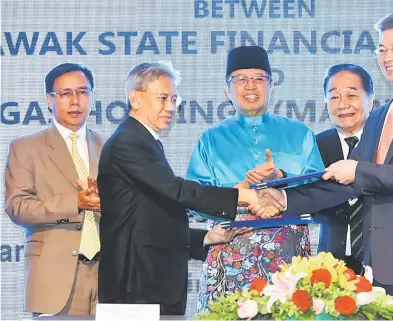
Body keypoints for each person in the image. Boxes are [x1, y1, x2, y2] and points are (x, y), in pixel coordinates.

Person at [256, 12, 393, 311]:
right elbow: (343, 183)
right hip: (374, 277)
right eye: (382, 50)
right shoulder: (380, 116)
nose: (387, 58)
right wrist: (282, 197)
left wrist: (357, 169)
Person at [97, 60, 281, 315]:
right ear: (135, 99)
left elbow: (154, 217)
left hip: (152, 281)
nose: (170, 107)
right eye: (163, 98)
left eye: (174, 99)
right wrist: (243, 196)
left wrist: (205, 237)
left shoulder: (144, 140)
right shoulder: (129, 141)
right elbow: (177, 191)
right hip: (135, 284)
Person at [186, 46, 325, 312]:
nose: (251, 85)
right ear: (228, 89)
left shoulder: (300, 134)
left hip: (288, 266)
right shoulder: (211, 139)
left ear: (271, 85)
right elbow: (193, 201)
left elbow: (319, 190)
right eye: (241, 79)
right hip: (228, 258)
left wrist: (281, 179)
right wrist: (240, 191)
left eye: (259, 78)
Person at [5, 63, 104, 316]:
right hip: (56, 278)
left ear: (92, 96)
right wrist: (76, 202)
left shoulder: (109, 147)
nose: (75, 101)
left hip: (107, 277)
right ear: (49, 100)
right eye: (65, 93)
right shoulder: (26, 148)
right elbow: (18, 207)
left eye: (83, 92)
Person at [315, 64, 373, 271]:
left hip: (384, 261)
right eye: (334, 97)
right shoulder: (315, 146)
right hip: (331, 264)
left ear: (370, 99)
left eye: (351, 95)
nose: (342, 104)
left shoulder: (385, 143)